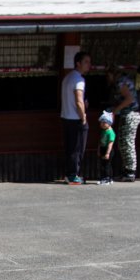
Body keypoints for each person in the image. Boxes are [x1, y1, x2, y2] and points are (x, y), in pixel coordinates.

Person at [61, 51, 92, 185]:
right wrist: (83, 117)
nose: (89, 65)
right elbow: (79, 100)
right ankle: (73, 175)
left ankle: (69, 174)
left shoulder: (67, 77)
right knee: (77, 148)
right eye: (86, 62)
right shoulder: (79, 80)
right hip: (76, 119)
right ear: (78, 63)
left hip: (66, 117)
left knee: (70, 147)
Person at [107, 65, 140, 182]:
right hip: (130, 114)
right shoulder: (125, 81)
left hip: (130, 114)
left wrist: (115, 110)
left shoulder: (120, 83)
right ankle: (127, 170)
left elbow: (129, 99)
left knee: (127, 143)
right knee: (124, 142)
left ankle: (130, 172)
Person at [97, 110, 115, 185]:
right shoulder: (103, 131)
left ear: (109, 123)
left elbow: (110, 144)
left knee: (107, 165)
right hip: (102, 149)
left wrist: (107, 153)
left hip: (108, 150)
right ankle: (106, 178)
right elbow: (100, 141)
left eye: (104, 122)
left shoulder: (110, 132)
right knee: (103, 164)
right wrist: (98, 150)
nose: (102, 124)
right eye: (101, 122)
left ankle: (107, 178)